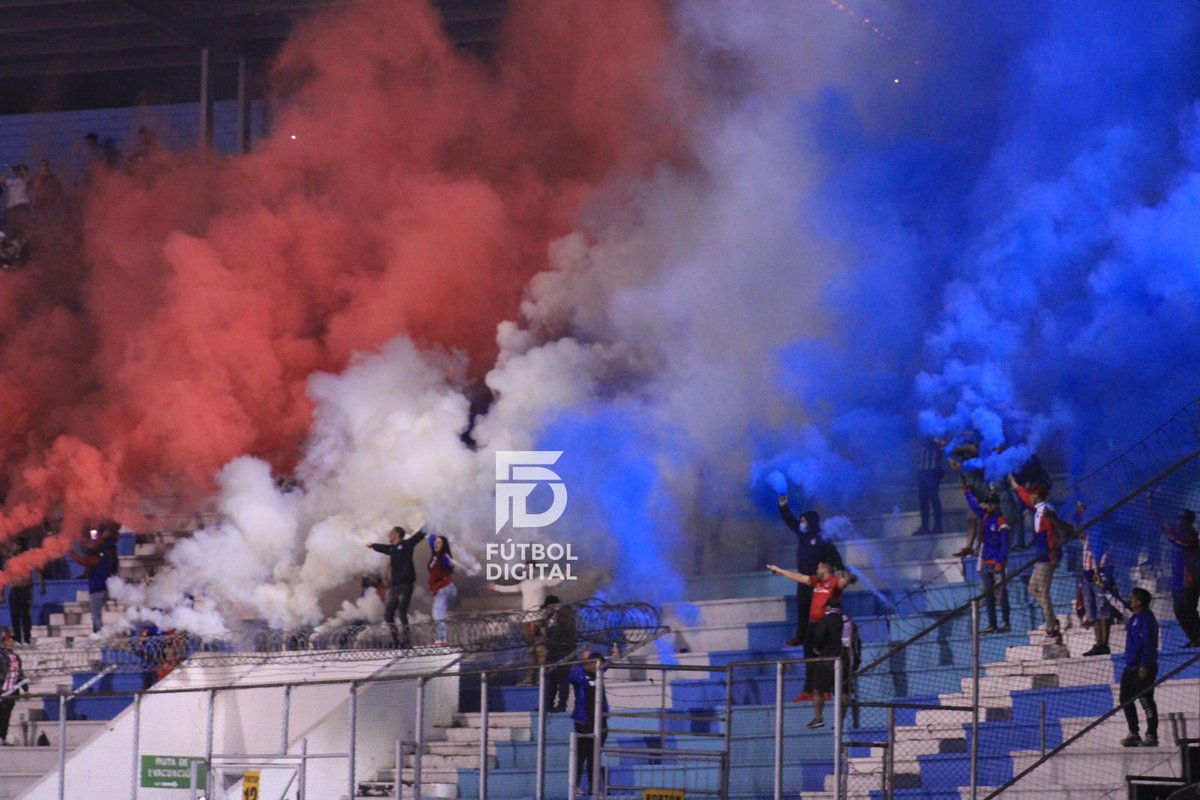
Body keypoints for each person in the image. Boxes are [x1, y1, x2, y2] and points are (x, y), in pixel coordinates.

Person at [767, 560, 856, 727]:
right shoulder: (817, 582)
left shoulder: (834, 582)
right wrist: (780, 570)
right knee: (811, 659)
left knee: (830, 665)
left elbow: (844, 582)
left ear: (824, 568)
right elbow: (799, 577)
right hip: (814, 627)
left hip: (829, 629)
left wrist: (850, 577)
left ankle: (828, 696)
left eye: (818, 567)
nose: (816, 570)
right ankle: (814, 692)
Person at [777, 496, 845, 649]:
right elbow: (789, 520)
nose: (801, 523)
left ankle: (822, 638)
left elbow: (833, 554)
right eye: (801, 520)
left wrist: (840, 568)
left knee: (819, 610)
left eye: (804, 521)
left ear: (810, 521)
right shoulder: (802, 535)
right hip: (803, 580)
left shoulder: (822, 538)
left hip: (817, 581)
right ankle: (800, 637)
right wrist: (783, 507)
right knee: (802, 609)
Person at [489, 564, 564, 685]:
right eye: (525, 568)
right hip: (526, 620)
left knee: (540, 650)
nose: (527, 570)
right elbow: (512, 588)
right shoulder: (524, 583)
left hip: (538, 619)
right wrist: (495, 586)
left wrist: (566, 574)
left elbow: (556, 580)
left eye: (529, 568)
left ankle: (543, 677)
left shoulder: (541, 579)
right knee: (531, 650)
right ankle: (531, 677)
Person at [1010, 477, 1063, 643]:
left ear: (1036, 495)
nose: (1029, 496)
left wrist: (1053, 555)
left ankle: (1051, 626)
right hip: (1042, 555)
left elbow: (1051, 535)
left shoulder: (1046, 510)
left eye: (1031, 493)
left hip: (1048, 556)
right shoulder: (1040, 508)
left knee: (1043, 590)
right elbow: (1024, 497)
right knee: (1033, 588)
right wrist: (1014, 483)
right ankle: (1051, 620)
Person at [962, 482, 1010, 633]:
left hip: (996, 563)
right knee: (987, 595)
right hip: (985, 562)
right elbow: (975, 506)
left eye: (991, 504)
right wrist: (967, 493)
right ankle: (992, 623)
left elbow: (1005, 544)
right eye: (987, 504)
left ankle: (1006, 622)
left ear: (996, 505)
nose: (988, 506)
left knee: (1001, 594)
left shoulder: (1001, 521)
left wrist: (999, 561)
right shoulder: (984, 517)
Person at [365, 526, 427, 645]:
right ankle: (395, 640)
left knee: (401, 612)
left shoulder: (407, 544)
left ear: (397, 534)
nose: (389, 535)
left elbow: (420, 535)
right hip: (395, 586)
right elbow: (383, 548)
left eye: (391, 533)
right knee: (388, 614)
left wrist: (432, 520)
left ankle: (407, 640)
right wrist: (372, 545)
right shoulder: (392, 549)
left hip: (406, 585)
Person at [569, 645, 617, 796]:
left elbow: (608, 662)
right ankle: (574, 786)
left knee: (594, 756)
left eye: (599, 666)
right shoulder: (579, 674)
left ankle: (594, 787)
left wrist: (613, 656)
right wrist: (583, 661)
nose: (598, 668)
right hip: (584, 721)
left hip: (600, 721)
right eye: (595, 665)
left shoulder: (599, 671)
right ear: (588, 664)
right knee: (581, 755)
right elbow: (571, 675)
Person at [1150, 503, 1200, 647]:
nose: (1179, 521)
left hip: (1189, 579)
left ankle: (1198, 637)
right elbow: (1160, 524)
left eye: (1182, 519)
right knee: (1179, 612)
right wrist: (1151, 505)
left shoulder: (1190, 534)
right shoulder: (1178, 532)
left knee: (1189, 609)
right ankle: (1194, 639)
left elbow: (1181, 543)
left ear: (1187, 521)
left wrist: (1169, 532)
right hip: (1177, 580)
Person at [1119, 588, 1159, 748]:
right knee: (1125, 699)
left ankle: (1151, 734)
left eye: (1133, 598)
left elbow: (1149, 643)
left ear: (1139, 602)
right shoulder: (1134, 617)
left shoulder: (1147, 619)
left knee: (1145, 699)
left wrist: (1145, 664)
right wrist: (1104, 588)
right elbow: (1119, 603)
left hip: (1143, 665)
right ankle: (1134, 733)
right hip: (1130, 665)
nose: (1130, 600)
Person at [71, 524, 119, 635]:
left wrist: (71, 552)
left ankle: (99, 635)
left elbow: (81, 560)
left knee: (96, 615)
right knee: (97, 615)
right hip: (105, 589)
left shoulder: (96, 559)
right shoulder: (108, 557)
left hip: (96, 591)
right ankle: (98, 633)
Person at [1079, 513, 1114, 656]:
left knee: (1102, 609)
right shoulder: (1086, 537)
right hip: (1087, 577)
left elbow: (1106, 556)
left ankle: (1104, 643)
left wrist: (1101, 573)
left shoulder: (1103, 537)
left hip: (1100, 576)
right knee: (1091, 609)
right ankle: (1098, 642)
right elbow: (1075, 528)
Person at [3, 536, 46, 644]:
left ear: (20, 546)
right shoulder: (10, 560)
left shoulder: (28, 558)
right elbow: (5, 577)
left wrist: (42, 586)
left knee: (26, 616)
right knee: (14, 616)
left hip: (26, 590)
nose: (12, 547)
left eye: (15, 545)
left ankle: (27, 638)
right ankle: (17, 639)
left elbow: (39, 571)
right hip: (14, 590)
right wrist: (1, 593)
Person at [540, 595, 576, 711]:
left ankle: (561, 705)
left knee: (562, 679)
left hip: (564, 650)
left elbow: (564, 631)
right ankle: (548, 705)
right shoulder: (550, 617)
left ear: (553, 606)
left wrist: (548, 631)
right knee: (550, 679)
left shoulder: (566, 613)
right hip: (552, 650)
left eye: (548, 608)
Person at [912, 437, 946, 536]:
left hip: (933, 469)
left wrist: (930, 440)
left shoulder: (938, 432)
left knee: (933, 497)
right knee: (923, 499)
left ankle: (938, 526)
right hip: (922, 470)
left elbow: (942, 445)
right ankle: (925, 527)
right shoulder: (923, 433)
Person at [427, 535, 457, 646]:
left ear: (444, 545)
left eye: (439, 542)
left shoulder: (443, 556)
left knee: (437, 613)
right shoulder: (435, 556)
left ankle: (442, 639)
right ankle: (442, 639)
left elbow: (448, 563)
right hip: (441, 588)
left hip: (445, 587)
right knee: (439, 614)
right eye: (435, 542)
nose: (436, 544)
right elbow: (431, 539)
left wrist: (448, 561)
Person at [0, 634, 27, 743]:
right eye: (9, 642)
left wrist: (25, 688)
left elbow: (20, 674)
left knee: (6, 715)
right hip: (2, 690)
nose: (12, 644)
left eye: (13, 642)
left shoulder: (16, 657)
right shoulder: (1, 656)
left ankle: (2, 737)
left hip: (12, 691)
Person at [1, 165, 31, 236]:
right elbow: (1, 181)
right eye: (18, 170)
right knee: (10, 230)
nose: (19, 171)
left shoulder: (25, 180)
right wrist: (9, 171)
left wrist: (23, 171)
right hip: (11, 209)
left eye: (20, 170)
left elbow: (29, 180)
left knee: (23, 229)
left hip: (22, 208)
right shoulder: (11, 181)